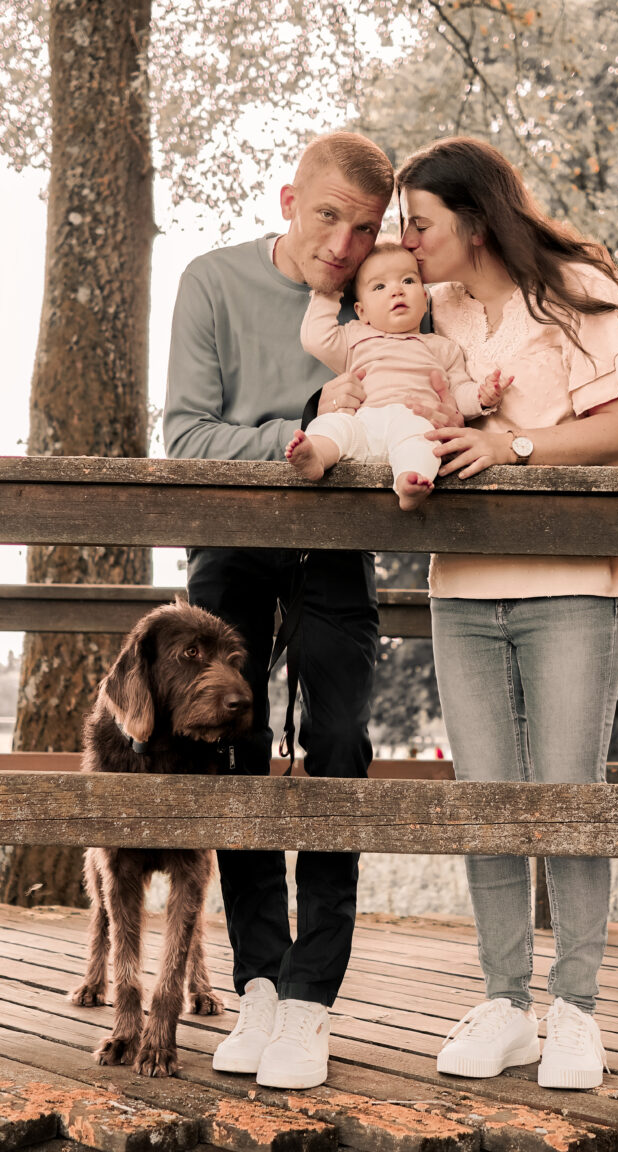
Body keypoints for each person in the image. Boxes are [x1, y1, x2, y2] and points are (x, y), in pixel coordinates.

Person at [397, 137, 618, 1090]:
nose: (407, 241)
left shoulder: (579, 286)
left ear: (472, 220)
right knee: (488, 804)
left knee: (567, 795)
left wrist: (512, 447)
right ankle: (506, 1003)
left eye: (419, 223)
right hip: (459, 586)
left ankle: (578, 1013)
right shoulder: (430, 311)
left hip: (572, 587)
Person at [163, 132, 395, 1091]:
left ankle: (309, 999)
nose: (344, 246)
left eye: (367, 228)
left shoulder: (379, 304)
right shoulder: (210, 282)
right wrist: (302, 433)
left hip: (337, 546)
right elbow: (184, 431)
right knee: (232, 748)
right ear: (289, 198)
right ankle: (259, 979)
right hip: (231, 541)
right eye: (328, 217)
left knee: (338, 743)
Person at [286, 242, 510, 510]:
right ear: (362, 312)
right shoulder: (355, 337)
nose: (396, 290)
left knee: (423, 440)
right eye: (379, 287)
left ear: (425, 300)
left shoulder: (442, 347)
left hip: (412, 419)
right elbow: (315, 338)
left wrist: (481, 396)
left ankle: (409, 483)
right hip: (362, 423)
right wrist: (331, 287)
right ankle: (317, 457)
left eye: (408, 280)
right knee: (332, 424)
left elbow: (458, 394)